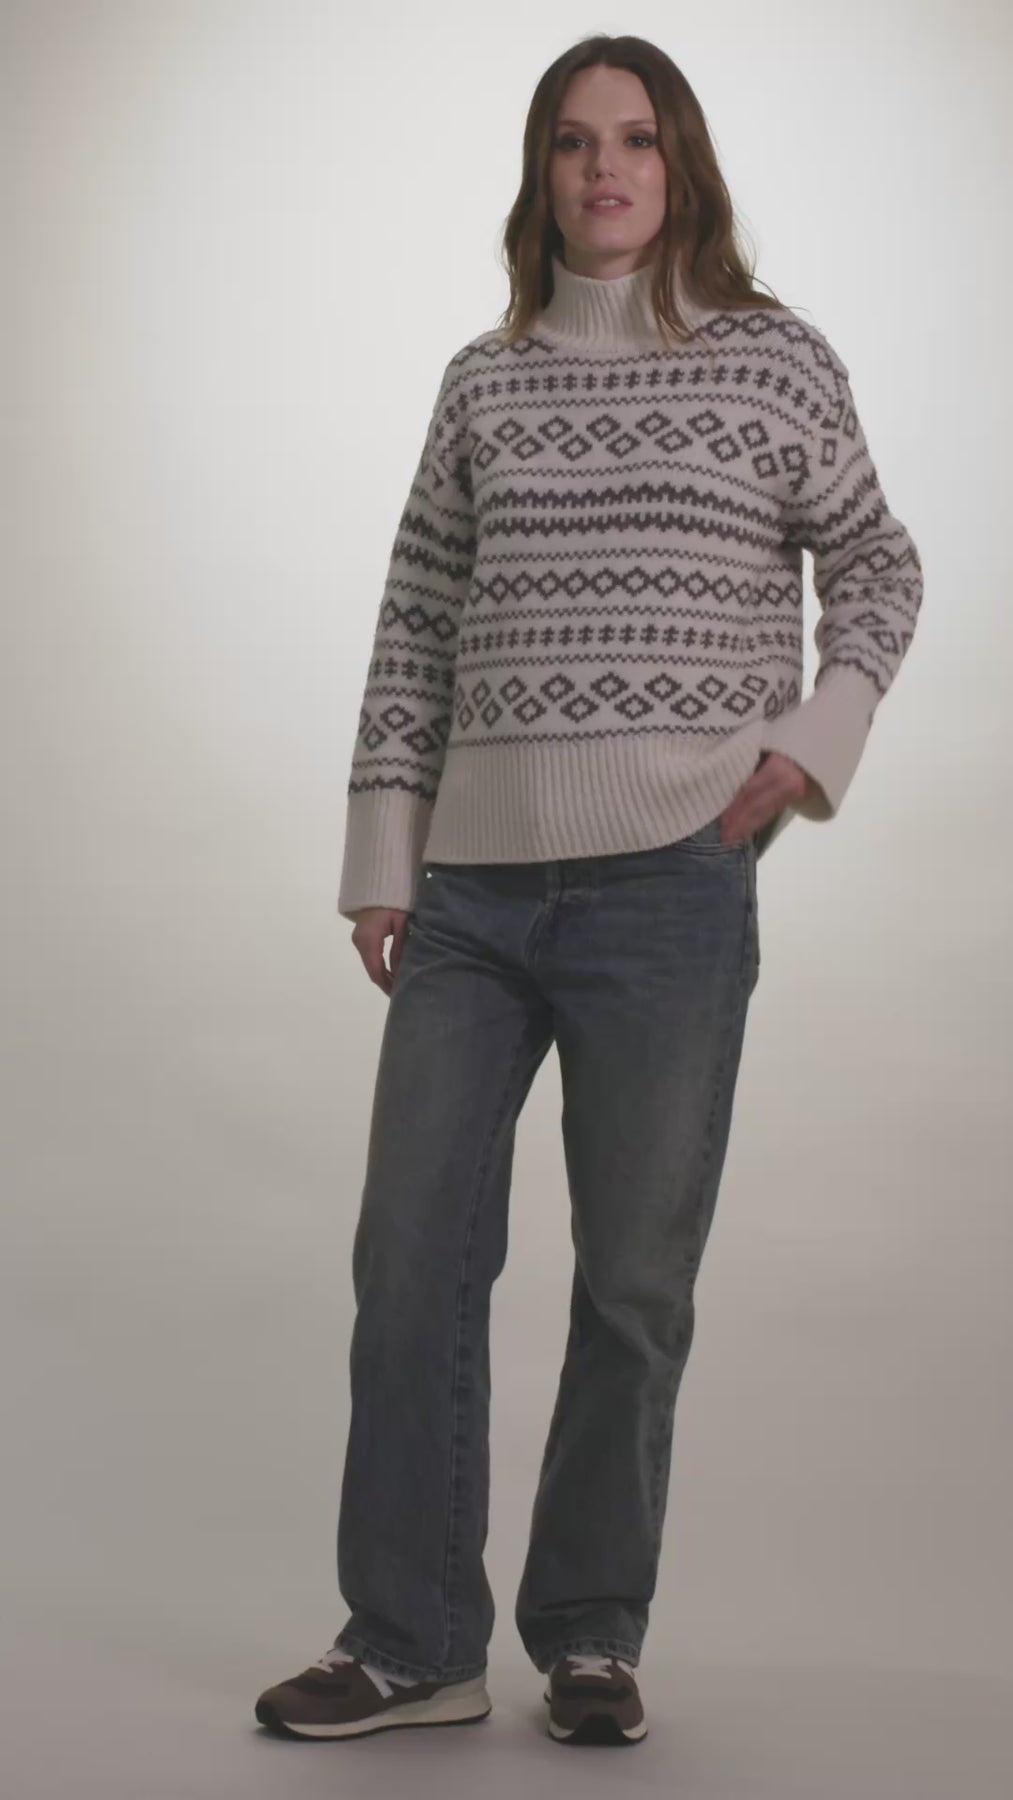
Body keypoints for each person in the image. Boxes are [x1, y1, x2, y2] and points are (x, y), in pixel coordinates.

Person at [255, 34, 922, 1749]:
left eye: (632, 139)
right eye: (570, 142)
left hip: (667, 889)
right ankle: (411, 1641)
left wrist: (810, 745)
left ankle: (590, 1636)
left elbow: (875, 562)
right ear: (539, 172)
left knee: (631, 1281)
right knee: (412, 1255)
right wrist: (385, 856)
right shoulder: (484, 382)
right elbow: (416, 622)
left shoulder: (772, 361)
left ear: (678, 165)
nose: (602, 169)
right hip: (470, 898)